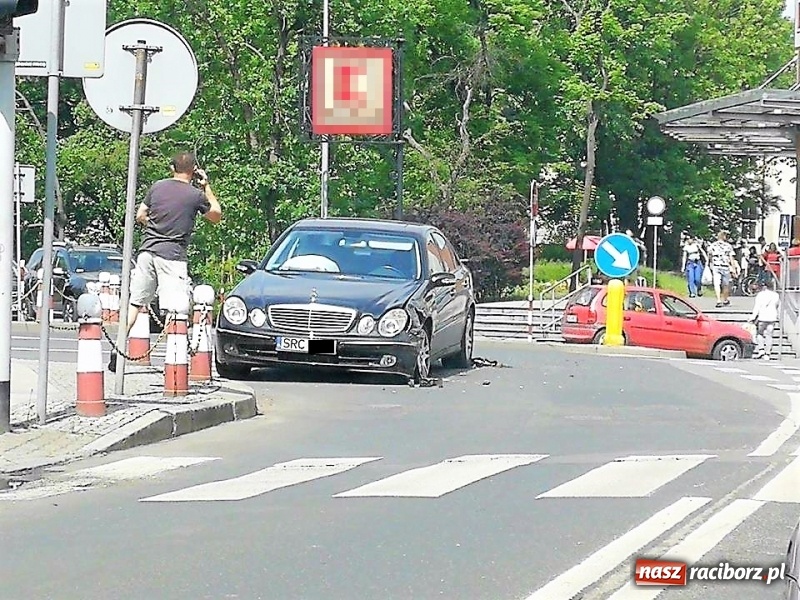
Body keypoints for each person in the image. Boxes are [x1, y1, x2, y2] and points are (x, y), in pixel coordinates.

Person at [109, 151, 222, 372]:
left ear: (172, 168)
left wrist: (155, 227)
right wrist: (206, 186)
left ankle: (118, 348)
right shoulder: (195, 195)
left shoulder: (157, 187)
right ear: (193, 171)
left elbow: (141, 214)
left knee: (135, 303)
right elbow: (216, 215)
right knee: (177, 308)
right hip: (172, 256)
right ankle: (176, 362)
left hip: (147, 251)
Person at [749, 278, 780, 360]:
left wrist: (752, 317)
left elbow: (757, 307)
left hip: (762, 317)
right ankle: (768, 353)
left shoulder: (760, 295)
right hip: (772, 317)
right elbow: (777, 306)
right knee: (769, 335)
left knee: (760, 334)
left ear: (764, 287)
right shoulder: (776, 295)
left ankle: (761, 350)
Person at [707, 231, 736, 308]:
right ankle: (725, 300)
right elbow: (731, 258)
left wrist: (711, 264)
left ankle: (718, 300)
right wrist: (733, 269)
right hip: (725, 266)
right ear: (724, 237)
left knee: (716, 283)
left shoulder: (712, 245)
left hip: (716, 266)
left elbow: (709, 256)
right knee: (725, 284)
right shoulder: (728, 246)